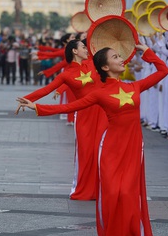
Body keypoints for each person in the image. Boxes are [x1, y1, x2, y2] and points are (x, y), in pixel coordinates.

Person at [16, 44, 168, 236]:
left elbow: (164, 71)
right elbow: (70, 107)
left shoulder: (133, 87)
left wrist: (147, 52)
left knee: (128, 194)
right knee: (113, 193)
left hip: (133, 148)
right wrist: (37, 106)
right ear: (105, 67)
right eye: (116, 56)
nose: (121, 59)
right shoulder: (99, 93)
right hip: (110, 149)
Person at [21, 39, 107, 200]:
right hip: (83, 115)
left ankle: (100, 189)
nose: (86, 49)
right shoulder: (67, 74)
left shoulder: (93, 63)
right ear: (75, 51)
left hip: (102, 113)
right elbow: (47, 89)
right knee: (85, 153)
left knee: (101, 151)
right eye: (83, 47)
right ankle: (83, 189)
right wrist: (27, 99)